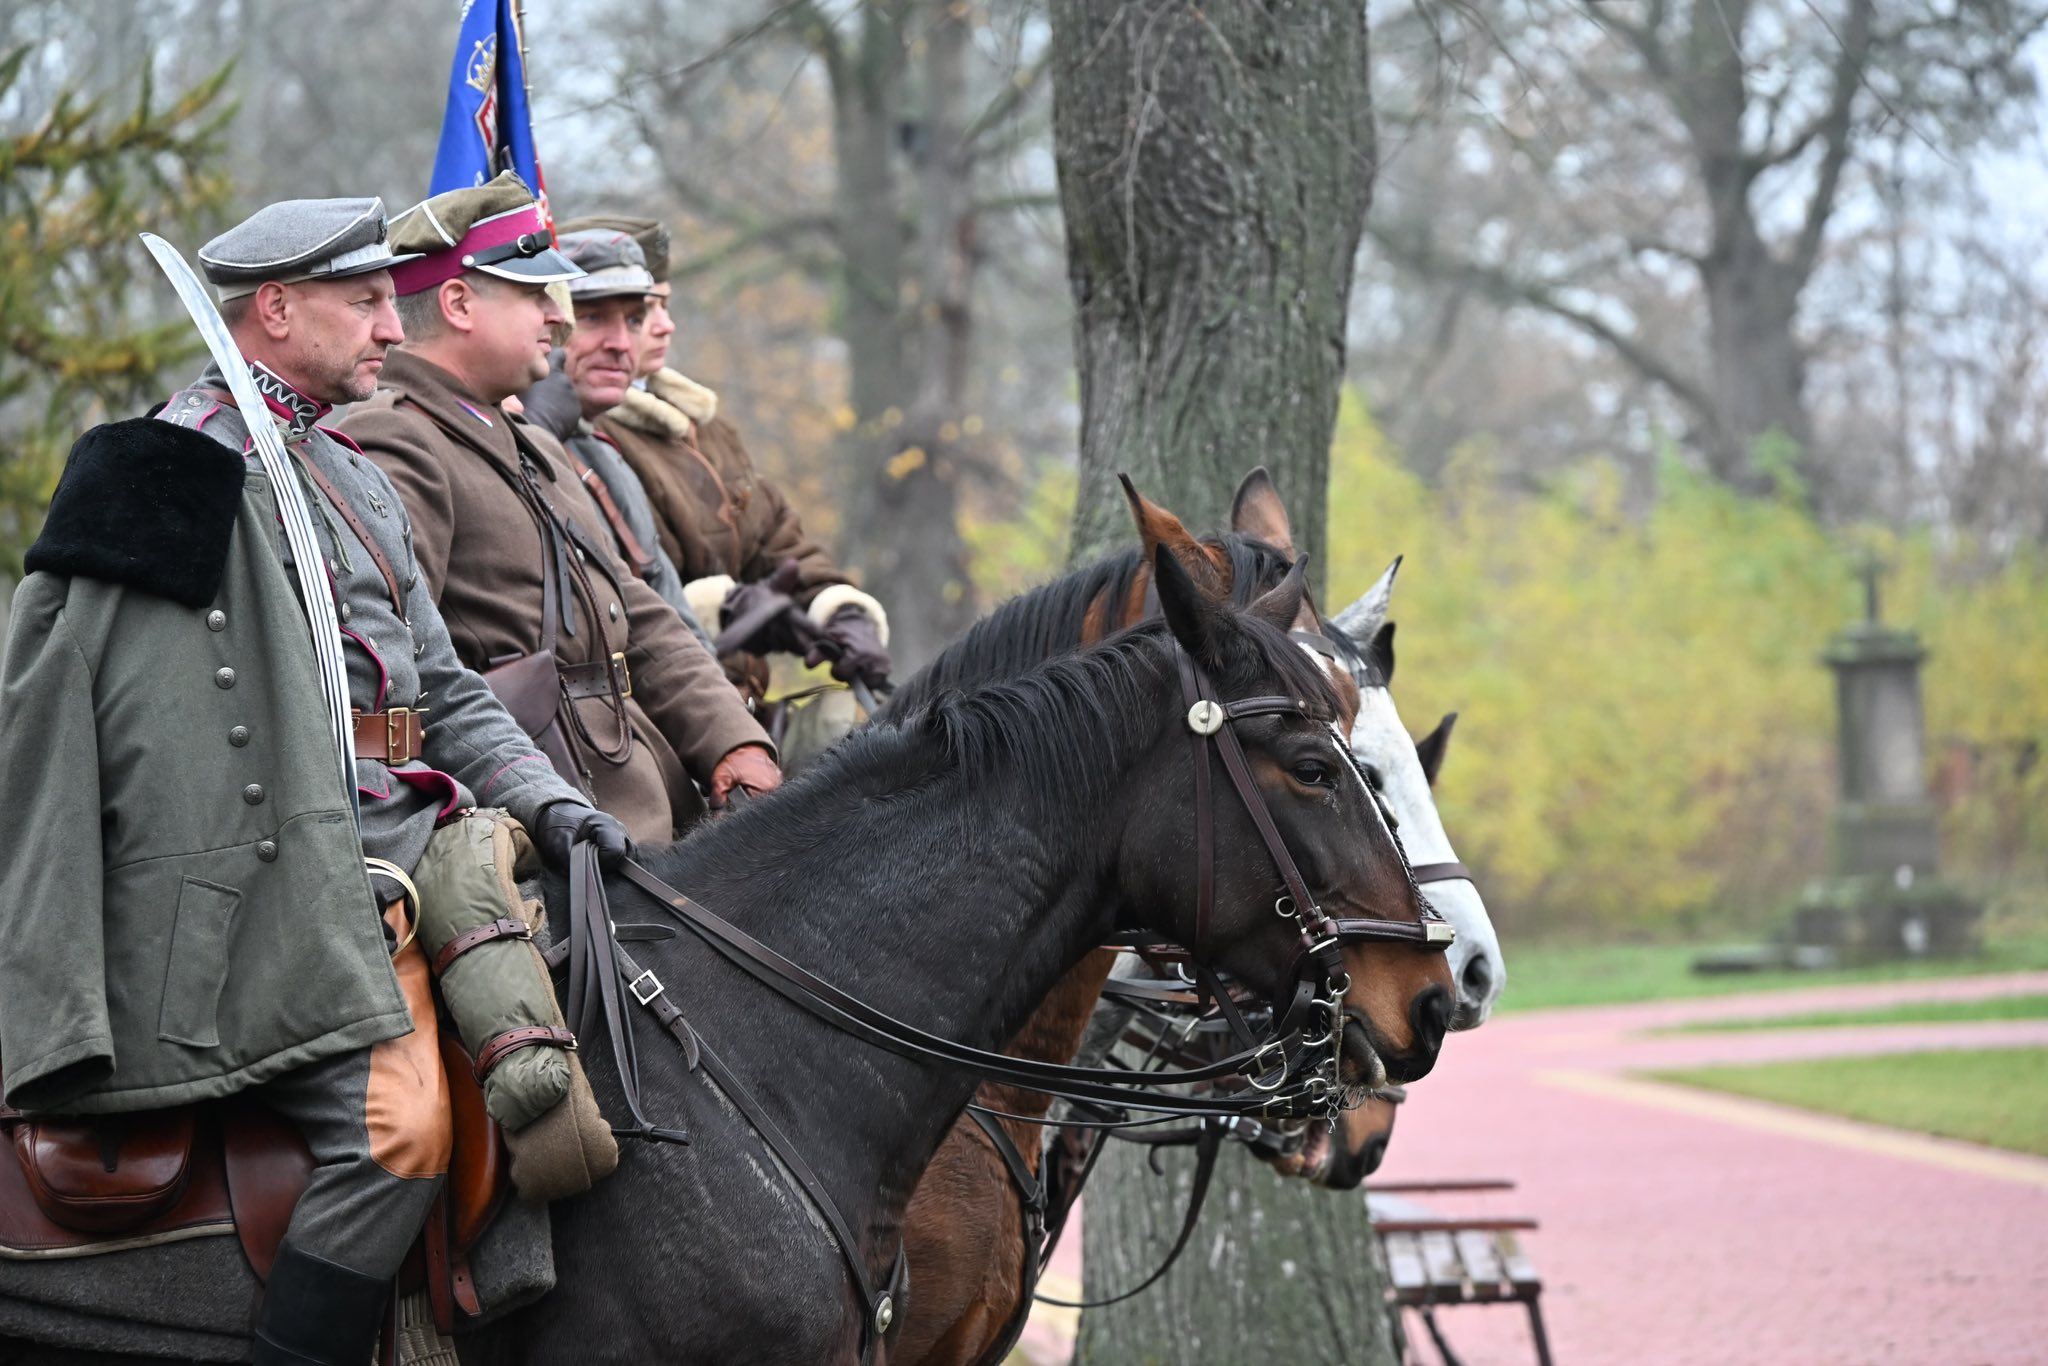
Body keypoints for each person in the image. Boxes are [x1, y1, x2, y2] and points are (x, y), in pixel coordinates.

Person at [0, 196, 629, 1365]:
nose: (392, 327)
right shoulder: (162, 475)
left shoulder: (351, 473)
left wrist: (550, 800)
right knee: (397, 1140)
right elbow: (66, 714)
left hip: (409, 847)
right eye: (364, 301)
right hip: (260, 897)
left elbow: (442, 691)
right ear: (277, 309)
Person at [340, 174, 779, 840]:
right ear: (458, 302)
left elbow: (635, 613)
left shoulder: (534, 444)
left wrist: (732, 742)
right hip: (543, 823)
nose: (558, 316)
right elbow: (401, 673)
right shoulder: (396, 439)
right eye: (533, 294)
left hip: (641, 788)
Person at [555, 213, 891, 703]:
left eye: (640, 314)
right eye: (647, 309)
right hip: (665, 711)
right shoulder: (580, 438)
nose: (662, 326)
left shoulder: (705, 427)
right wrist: (724, 610)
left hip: (739, 704)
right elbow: (622, 599)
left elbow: (778, 540)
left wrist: (839, 610)